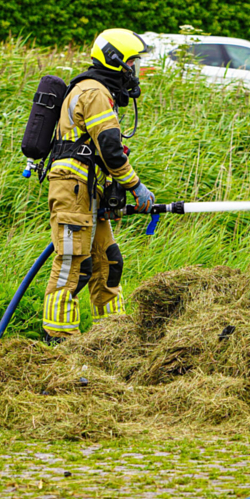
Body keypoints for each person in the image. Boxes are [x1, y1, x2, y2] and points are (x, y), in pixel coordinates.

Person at [41, 28, 156, 340]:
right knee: (73, 264)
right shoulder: (94, 93)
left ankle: (113, 337)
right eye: (132, 62)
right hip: (73, 187)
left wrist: (111, 192)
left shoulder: (99, 90)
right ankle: (58, 339)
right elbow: (110, 149)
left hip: (88, 189)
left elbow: (102, 152)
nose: (135, 69)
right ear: (114, 60)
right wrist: (135, 186)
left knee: (108, 261)